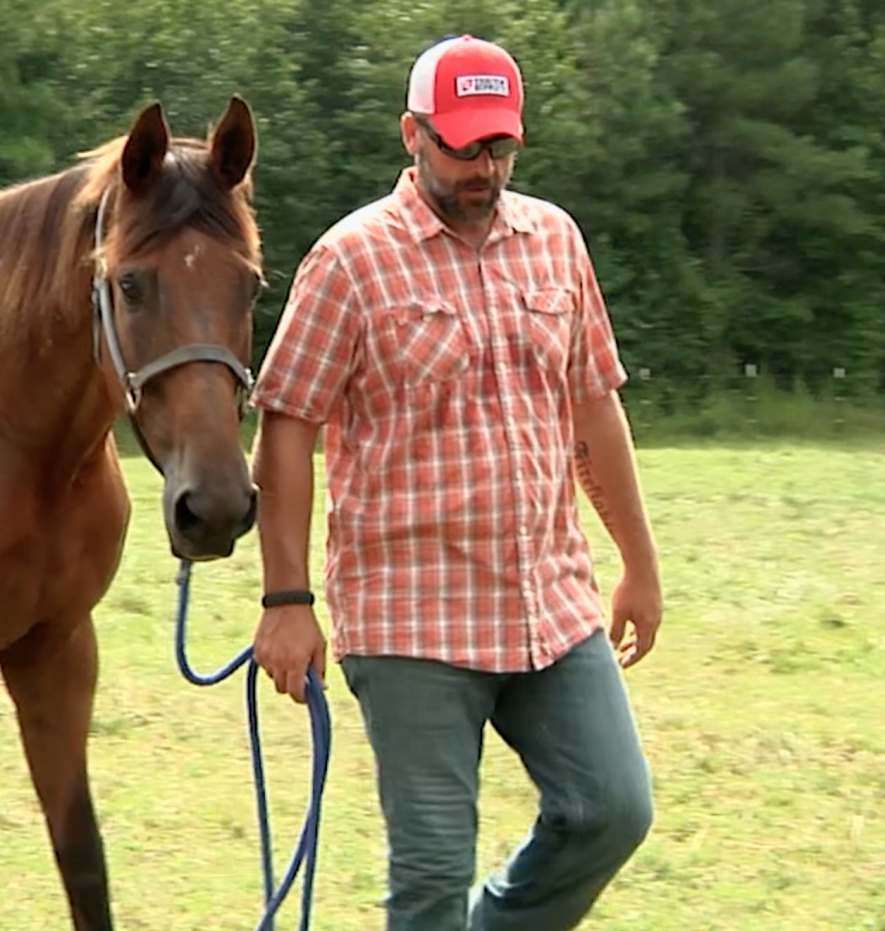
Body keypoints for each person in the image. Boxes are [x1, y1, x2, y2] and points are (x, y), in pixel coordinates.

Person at [247, 34, 662, 931]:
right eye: (463, 145)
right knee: (432, 872)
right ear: (412, 134)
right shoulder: (350, 260)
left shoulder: (555, 240)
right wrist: (286, 598)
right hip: (412, 620)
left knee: (613, 810)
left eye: (500, 146)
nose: (484, 167)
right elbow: (285, 428)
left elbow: (595, 408)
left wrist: (639, 562)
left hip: (550, 603)